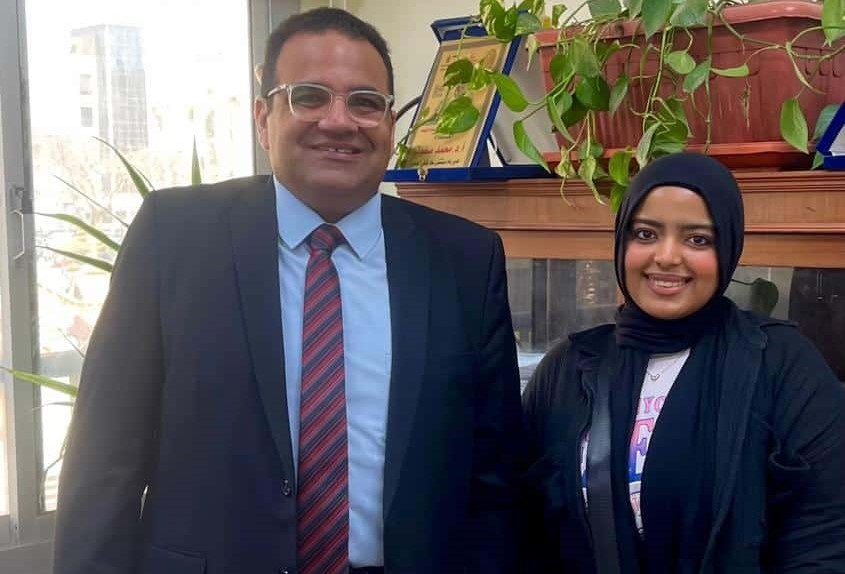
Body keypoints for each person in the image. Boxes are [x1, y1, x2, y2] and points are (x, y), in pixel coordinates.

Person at [52, 8, 522, 574]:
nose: (339, 121)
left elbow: (494, 483)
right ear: (263, 118)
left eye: (365, 102)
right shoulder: (172, 238)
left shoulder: (465, 260)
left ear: (390, 124)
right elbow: (104, 464)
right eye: (310, 96)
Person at [520, 152, 845, 572]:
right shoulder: (569, 367)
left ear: (727, 248)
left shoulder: (781, 365)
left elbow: (823, 538)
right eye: (645, 233)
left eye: (698, 240)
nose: (668, 256)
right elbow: (521, 524)